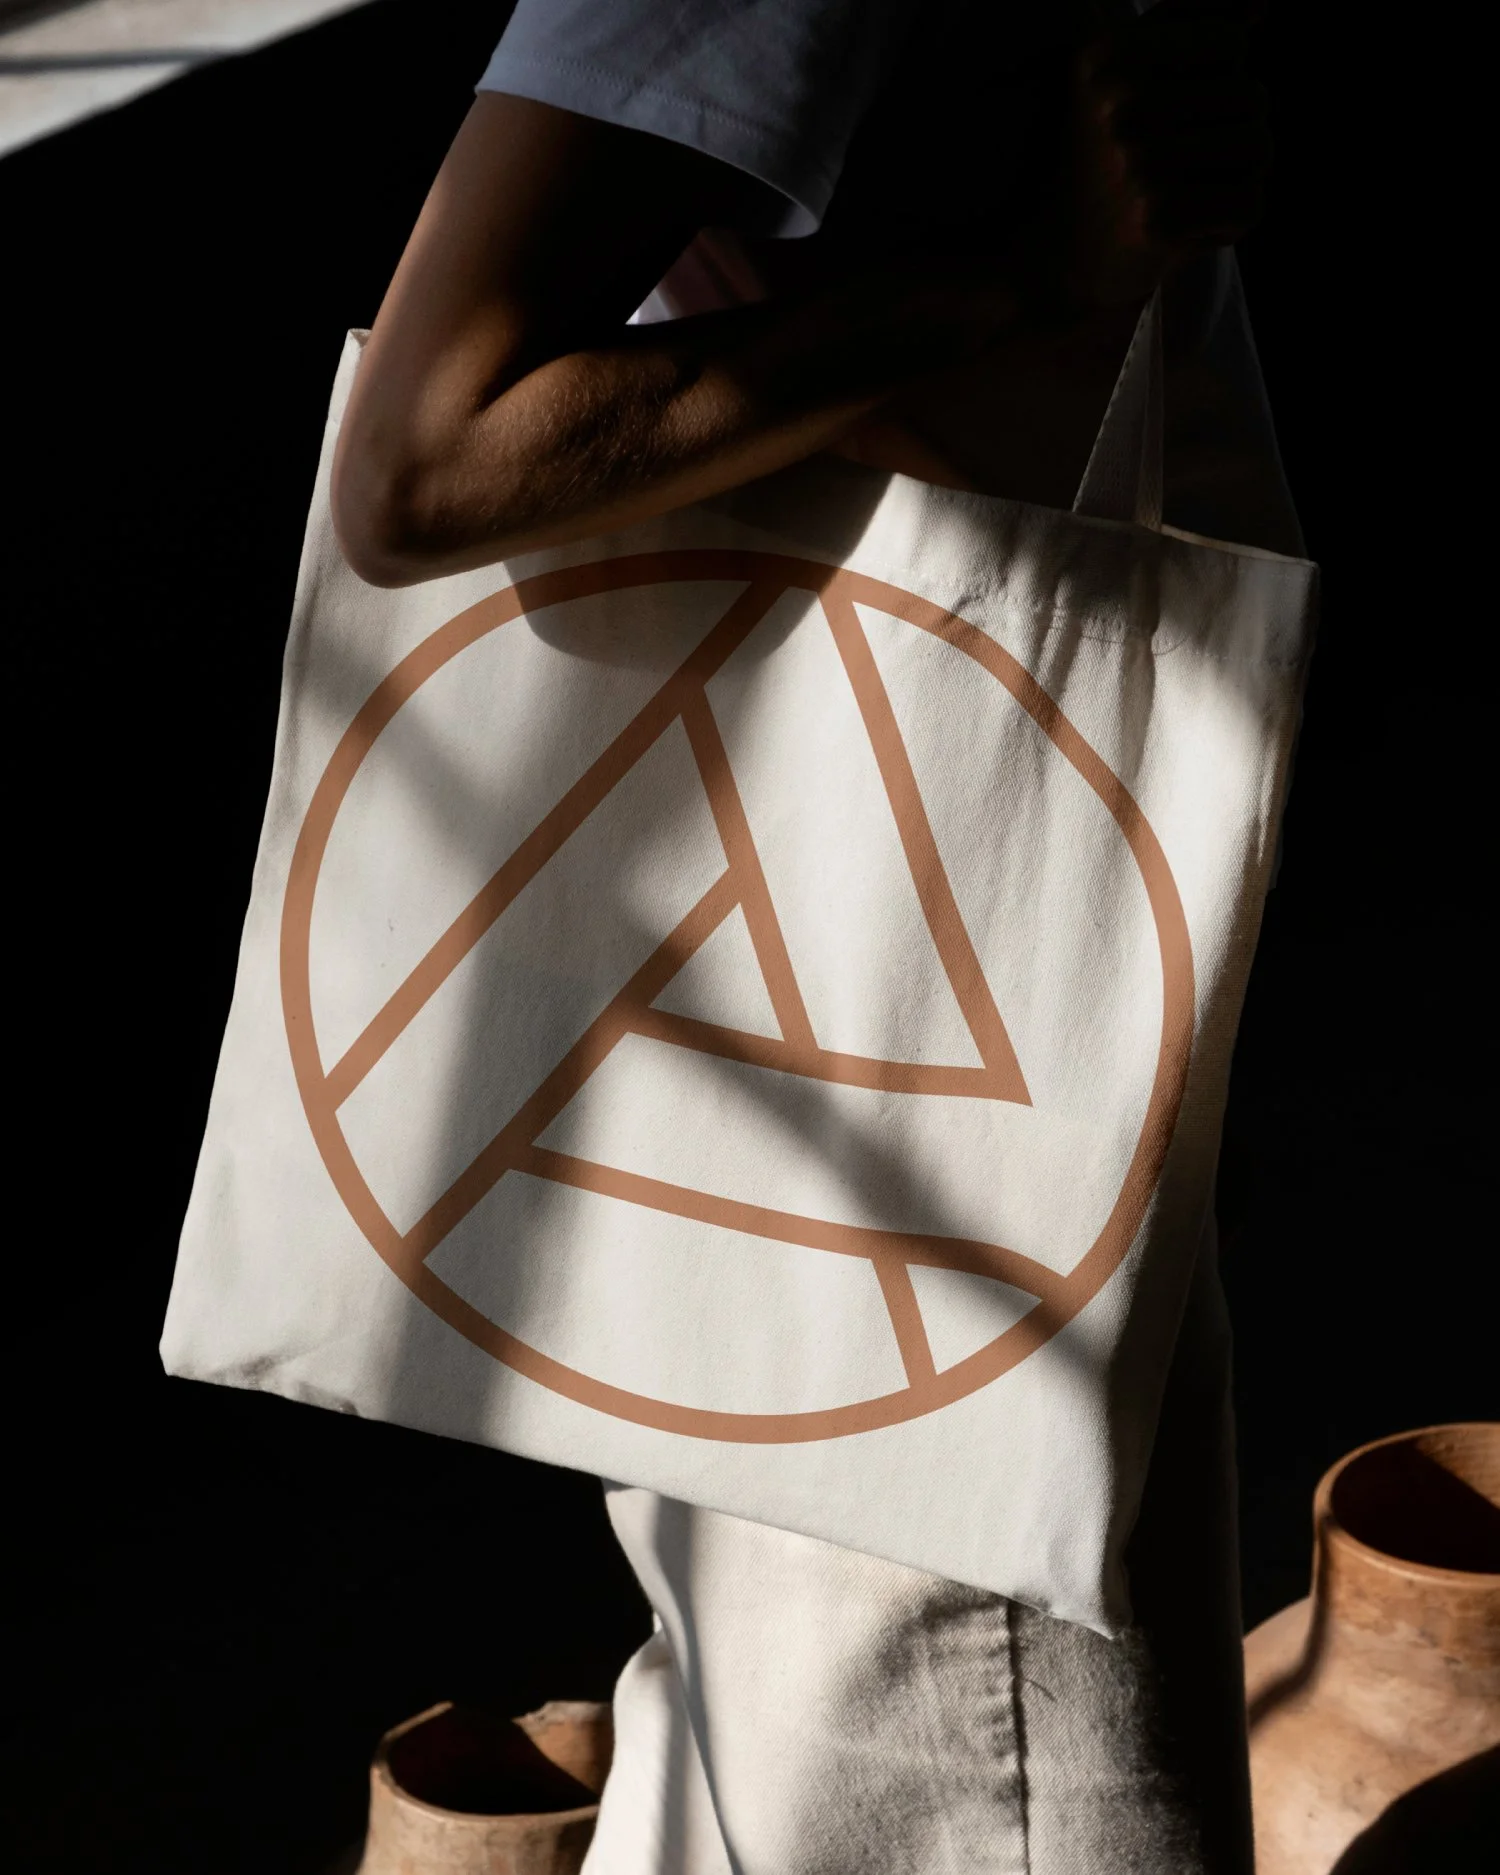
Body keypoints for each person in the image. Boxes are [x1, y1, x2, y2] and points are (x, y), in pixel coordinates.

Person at [332, 3, 1301, 1869]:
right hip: (914, 1010)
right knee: (998, 1766)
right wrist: (1023, 276)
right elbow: (421, 465)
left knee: (807, 1743)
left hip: (988, 941)